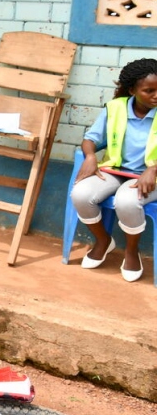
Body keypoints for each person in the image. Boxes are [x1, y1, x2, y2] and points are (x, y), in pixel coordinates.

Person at [71, 58, 157, 283]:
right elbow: (91, 139)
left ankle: (131, 251)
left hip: (150, 177)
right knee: (80, 194)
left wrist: (154, 169)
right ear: (132, 90)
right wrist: (90, 156)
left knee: (127, 200)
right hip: (115, 170)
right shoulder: (115, 108)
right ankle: (103, 240)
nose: (156, 95)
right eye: (149, 90)